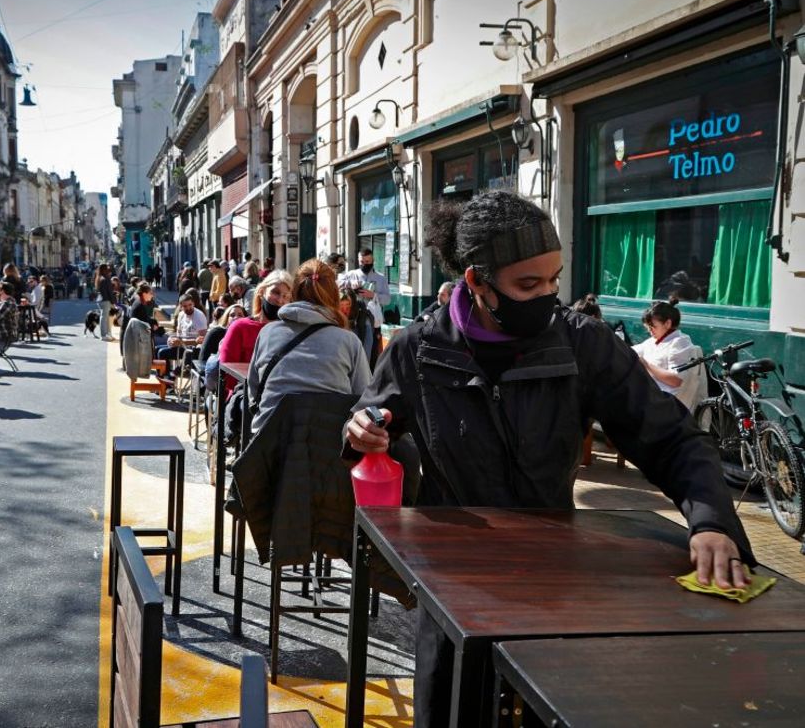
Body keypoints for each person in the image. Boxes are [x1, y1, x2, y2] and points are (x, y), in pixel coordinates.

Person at [342, 190, 755, 727]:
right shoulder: (416, 349)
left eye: (555, 280)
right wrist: (361, 431)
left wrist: (711, 521)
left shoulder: (583, 343)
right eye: (528, 285)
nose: (548, 297)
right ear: (477, 282)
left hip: (555, 584)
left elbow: (670, 439)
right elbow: (368, 422)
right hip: (454, 589)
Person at [248, 259, 370, 434]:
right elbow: (363, 399)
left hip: (270, 440)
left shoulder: (268, 333)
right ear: (334, 296)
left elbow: (254, 391)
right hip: (328, 446)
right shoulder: (349, 342)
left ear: (294, 292)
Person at [218, 269, 293, 398]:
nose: (280, 300)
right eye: (275, 292)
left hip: (281, 400)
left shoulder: (291, 332)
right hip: (244, 398)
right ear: (262, 292)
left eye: (286, 296)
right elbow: (227, 375)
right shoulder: (240, 327)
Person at [633, 297, 707, 412]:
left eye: (653, 327)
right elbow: (633, 351)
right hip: (649, 394)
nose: (650, 331)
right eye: (648, 328)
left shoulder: (679, 342)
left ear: (667, 323)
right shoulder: (654, 341)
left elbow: (675, 380)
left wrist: (646, 365)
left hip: (665, 401)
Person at [157, 292, 208, 375]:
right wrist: (173, 339)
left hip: (192, 349)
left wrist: (181, 342)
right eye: (185, 306)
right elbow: (179, 334)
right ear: (180, 307)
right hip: (182, 345)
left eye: (190, 305)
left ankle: (167, 380)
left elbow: (202, 340)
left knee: (162, 352)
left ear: (193, 304)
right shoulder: (181, 315)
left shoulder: (199, 316)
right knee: (157, 349)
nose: (188, 308)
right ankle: (164, 378)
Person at [95, 263, 115, 341]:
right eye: (107, 268)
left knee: (105, 318)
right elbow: (109, 291)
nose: (108, 269)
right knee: (104, 318)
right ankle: (104, 335)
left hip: (100, 300)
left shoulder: (99, 278)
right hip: (105, 300)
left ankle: (107, 334)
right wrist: (113, 302)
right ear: (104, 270)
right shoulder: (106, 279)